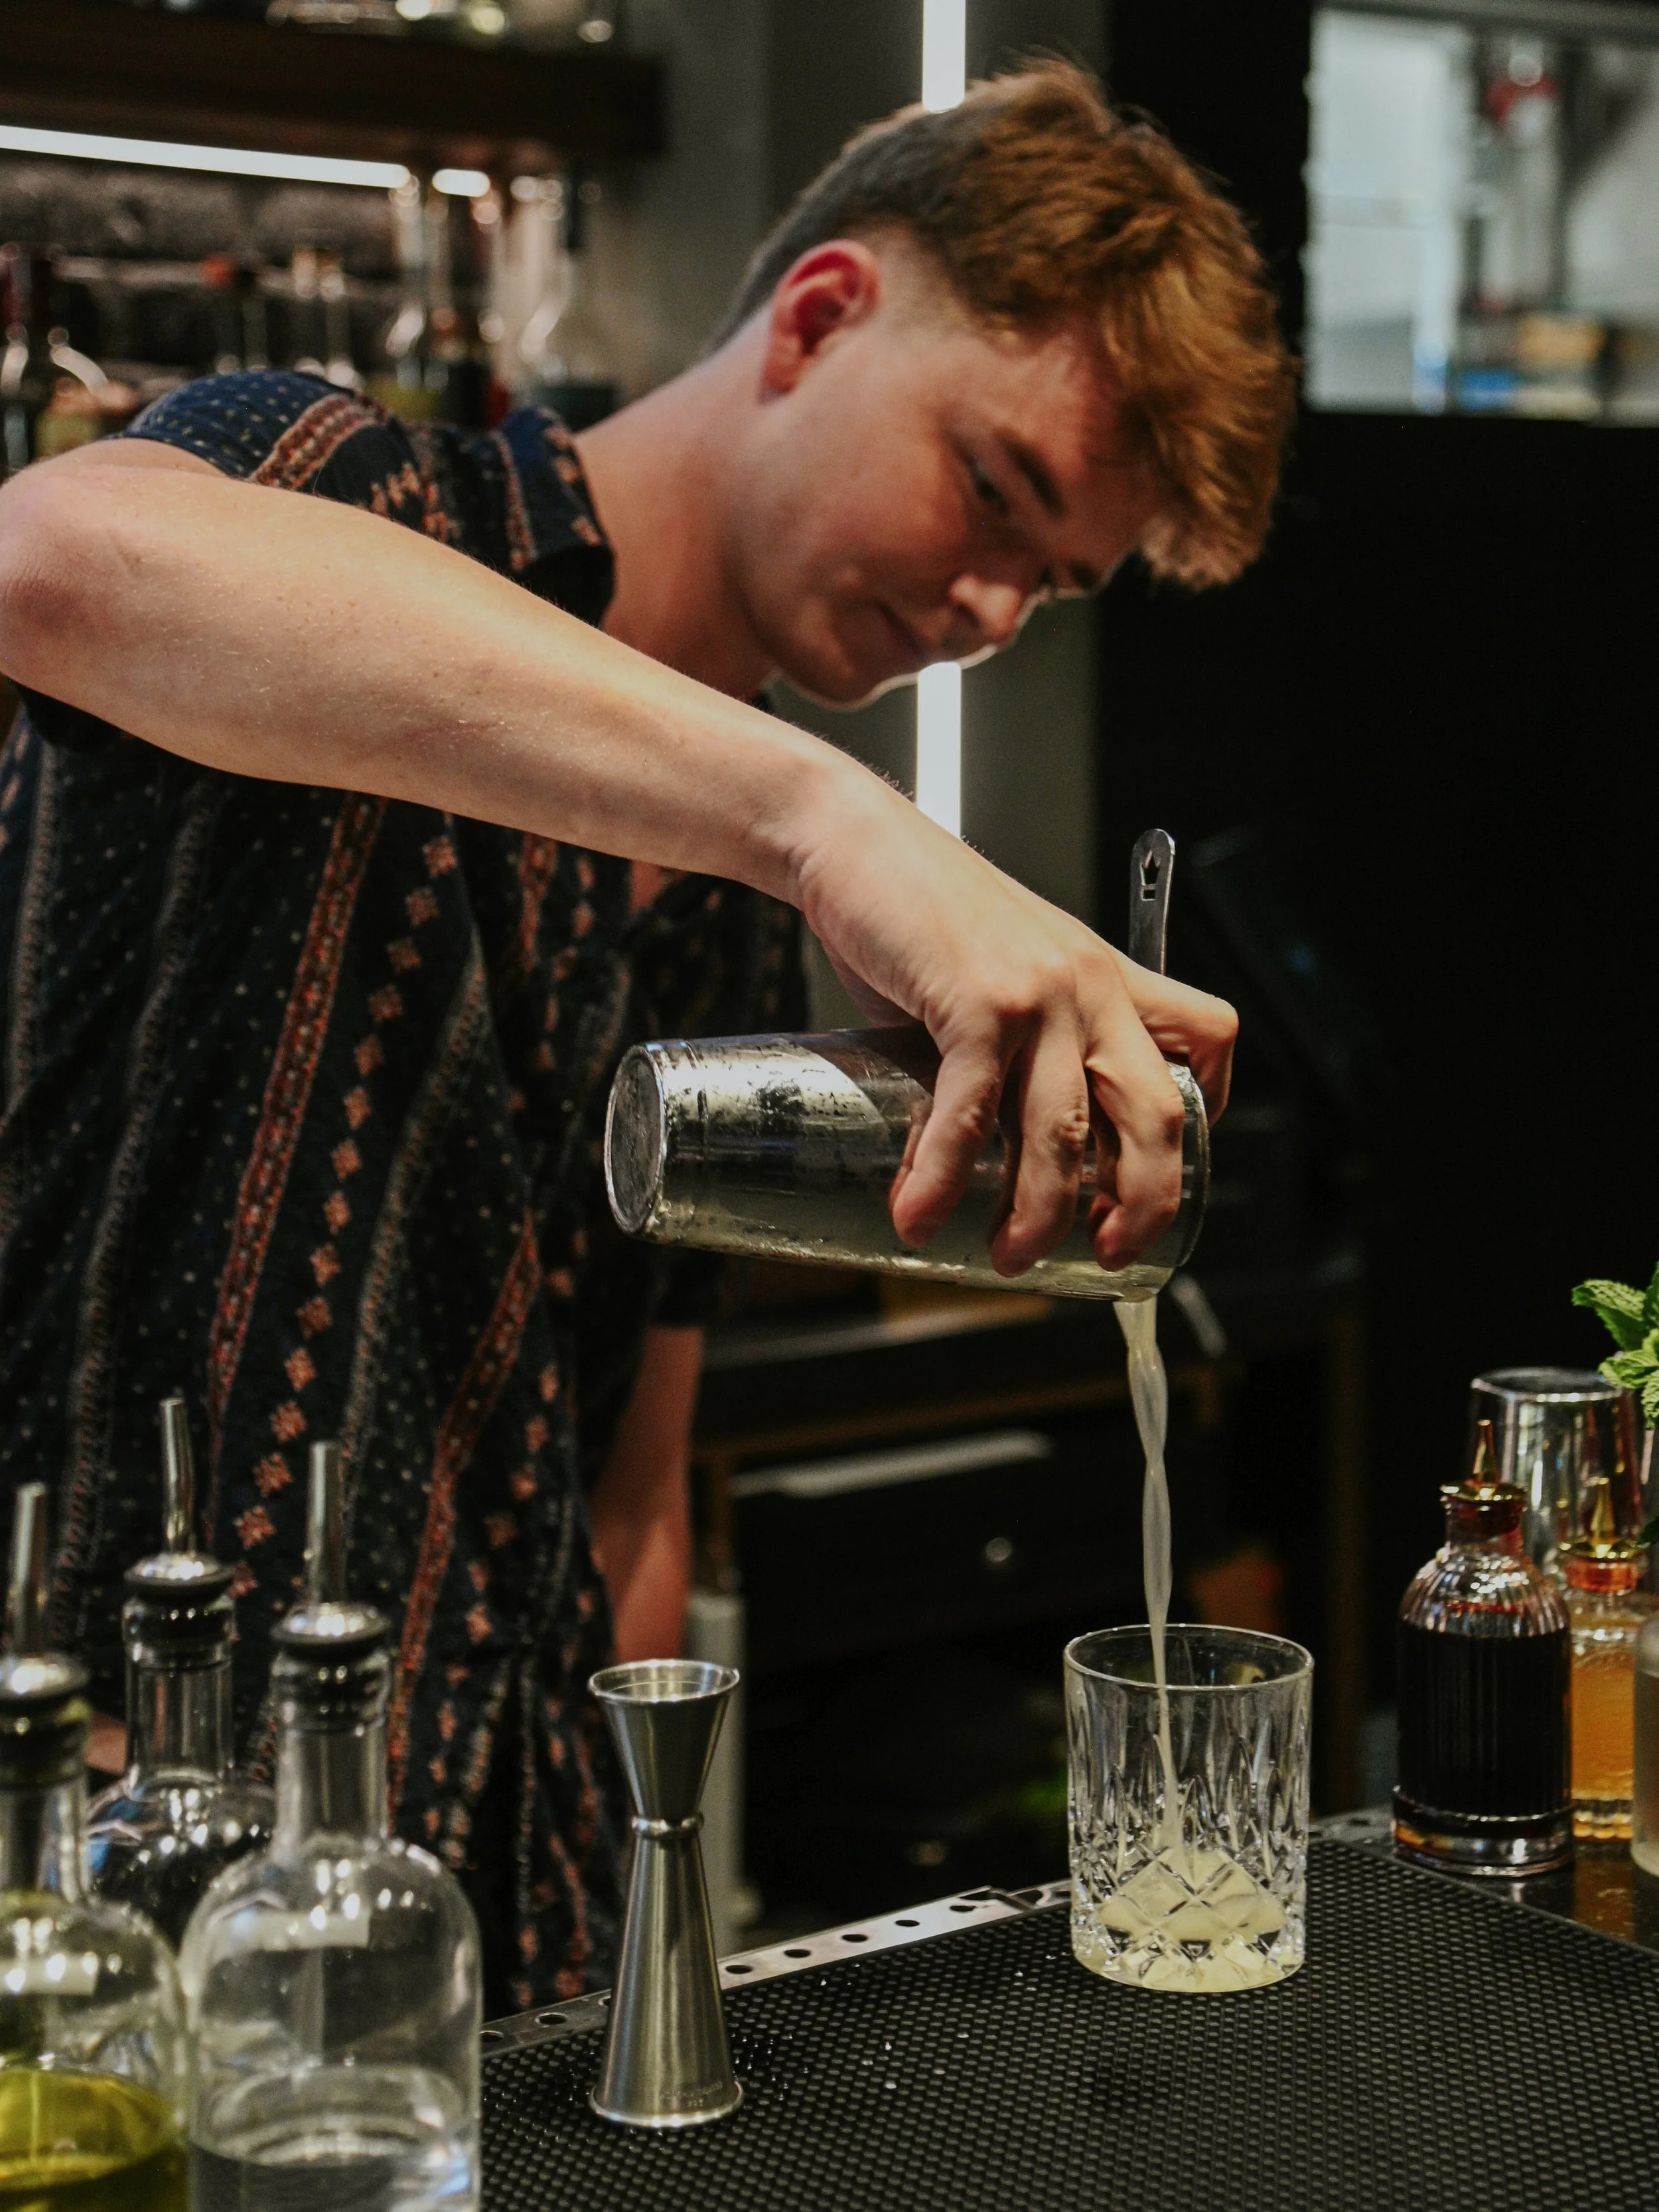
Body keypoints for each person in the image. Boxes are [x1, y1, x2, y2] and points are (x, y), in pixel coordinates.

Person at [0, 64, 1289, 2008]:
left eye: (1052, 582)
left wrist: (643, 1940)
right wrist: (835, 820)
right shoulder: (351, 491)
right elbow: (54, 559)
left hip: (470, 1901)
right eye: (993, 490)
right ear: (821, 313)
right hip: (105, 1843)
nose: (985, 601)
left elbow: (633, 1497)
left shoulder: (703, 905)